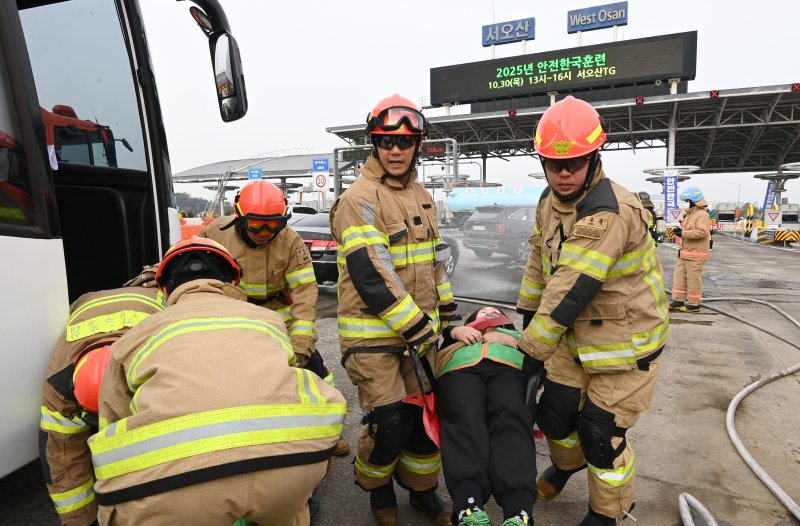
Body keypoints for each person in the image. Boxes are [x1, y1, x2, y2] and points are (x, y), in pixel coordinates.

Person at [89, 237, 347, 526]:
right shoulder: (268, 321)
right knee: (291, 514)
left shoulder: (135, 337)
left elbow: (113, 420)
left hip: (174, 495)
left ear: (163, 288)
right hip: (290, 472)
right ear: (233, 283)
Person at [515, 96, 669, 526]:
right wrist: (527, 318)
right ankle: (567, 465)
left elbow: (571, 287)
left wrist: (530, 348)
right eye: (553, 163)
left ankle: (608, 512)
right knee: (555, 417)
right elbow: (538, 265)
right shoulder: (548, 201)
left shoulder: (610, 211)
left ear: (595, 156)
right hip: (572, 336)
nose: (564, 173)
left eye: (575, 162)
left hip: (626, 342)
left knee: (601, 434)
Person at [329, 93, 457, 526]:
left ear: (418, 145)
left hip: (420, 334)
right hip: (374, 336)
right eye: (386, 142)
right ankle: (375, 487)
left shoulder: (421, 196)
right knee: (392, 421)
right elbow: (372, 275)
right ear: (374, 144)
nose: (396, 150)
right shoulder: (359, 198)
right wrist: (420, 328)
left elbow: (435, 262)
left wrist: (450, 314)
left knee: (425, 423)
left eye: (404, 143)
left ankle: (422, 493)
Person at [200, 179, 350, 457]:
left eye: (273, 224)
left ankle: (330, 427)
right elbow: (188, 266)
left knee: (316, 372)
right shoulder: (215, 234)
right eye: (257, 224)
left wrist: (302, 342)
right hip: (232, 316)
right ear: (239, 217)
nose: (265, 232)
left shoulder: (291, 242)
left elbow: (305, 292)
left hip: (277, 316)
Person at [40, 265, 162, 526]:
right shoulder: (58, 388)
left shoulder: (161, 354)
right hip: (87, 305)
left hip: (147, 301)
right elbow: (63, 461)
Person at [435, 306, 537, 526]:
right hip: (459, 371)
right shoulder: (457, 336)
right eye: (482, 311)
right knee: (465, 421)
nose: (488, 311)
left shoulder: (521, 337)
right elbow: (428, 330)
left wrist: (517, 341)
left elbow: (546, 353)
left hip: (509, 370)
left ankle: (518, 512)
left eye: (494, 311)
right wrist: (453, 331)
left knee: (512, 423)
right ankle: (468, 508)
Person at [668, 187, 711, 313]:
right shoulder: (690, 214)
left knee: (693, 280)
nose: (688, 203)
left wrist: (683, 233)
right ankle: (678, 300)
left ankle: (694, 304)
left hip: (696, 255)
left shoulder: (702, 215)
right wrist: (680, 231)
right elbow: (689, 231)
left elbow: (702, 233)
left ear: (694, 201)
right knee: (679, 278)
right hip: (685, 253)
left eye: (688, 201)